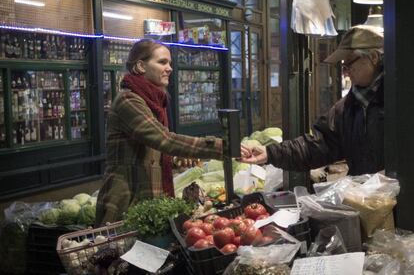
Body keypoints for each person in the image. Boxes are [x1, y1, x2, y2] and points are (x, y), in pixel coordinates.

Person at [96, 39, 249, 226]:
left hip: (147, 197)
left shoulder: (153, 100)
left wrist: (174, 160)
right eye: (162, 62)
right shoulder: (128, 100)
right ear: (141, 66)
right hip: (127, 200)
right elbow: (164, 139)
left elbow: (152, 146)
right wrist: (221, 147)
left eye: (170, 63)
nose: (169, 68)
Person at [241, 25, 384, 176]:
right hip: (365, 197)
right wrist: (270, 153)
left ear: (373, 57)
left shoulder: (399, 100)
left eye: (348, 64)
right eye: (343, 66)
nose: (345, 71)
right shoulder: (348, 107)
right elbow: (318, 145)